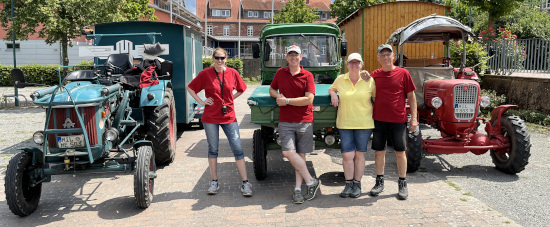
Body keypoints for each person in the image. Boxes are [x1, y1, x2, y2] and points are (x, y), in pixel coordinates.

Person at [187, 47, 253, 197]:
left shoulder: (232, 73)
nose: (219, 60)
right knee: (213, 149)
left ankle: (245, 183)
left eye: (222, 58)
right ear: (213, 59)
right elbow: (191, 88)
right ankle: (214, 182)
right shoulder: (205, 74)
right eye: (217, 58)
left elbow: (242, 89)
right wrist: (201, 101)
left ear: (226, 59)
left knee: (237, 148)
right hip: (210, 117)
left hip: (229, 116)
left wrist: (230, 100)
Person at [269, 45, 321, 204]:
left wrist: (287, 101)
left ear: (300, 57)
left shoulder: (307, 76)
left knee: (301, 156)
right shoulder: (280, 73)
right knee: (288, 153)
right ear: (286, 58)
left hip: (304, 120)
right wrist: (278, 95)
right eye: (290, 55)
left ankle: (298, 189)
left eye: (296, 55)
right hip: (285, 121)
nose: (293, 57)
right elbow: (271, 89)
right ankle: (311, 182)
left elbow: (309, 99)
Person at [367, 44, 417, 200]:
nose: (385, 57)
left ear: (393, 56)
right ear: (378, 58)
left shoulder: (403, 73)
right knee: (379, 152)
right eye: (382, 55)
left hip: (398, 119)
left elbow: (412, 96)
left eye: (388, 54)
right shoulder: (375, 75)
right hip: (379, 119)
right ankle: (379, 182)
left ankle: (402, 183)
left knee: (400, 152)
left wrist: (414, 118)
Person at [329, 53, 375, 198]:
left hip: (364, 123)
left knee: (359, 155)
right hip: (345, 122)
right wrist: (333, 94)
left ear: (361, 64)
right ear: (347, 65)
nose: (354, 65)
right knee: (347, 155)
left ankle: (357, 184)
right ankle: (348, 184)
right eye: (351, 63)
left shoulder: (369, 80)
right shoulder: (341, 79)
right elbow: (332, 88)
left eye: (357, 63)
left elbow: (377, 96)